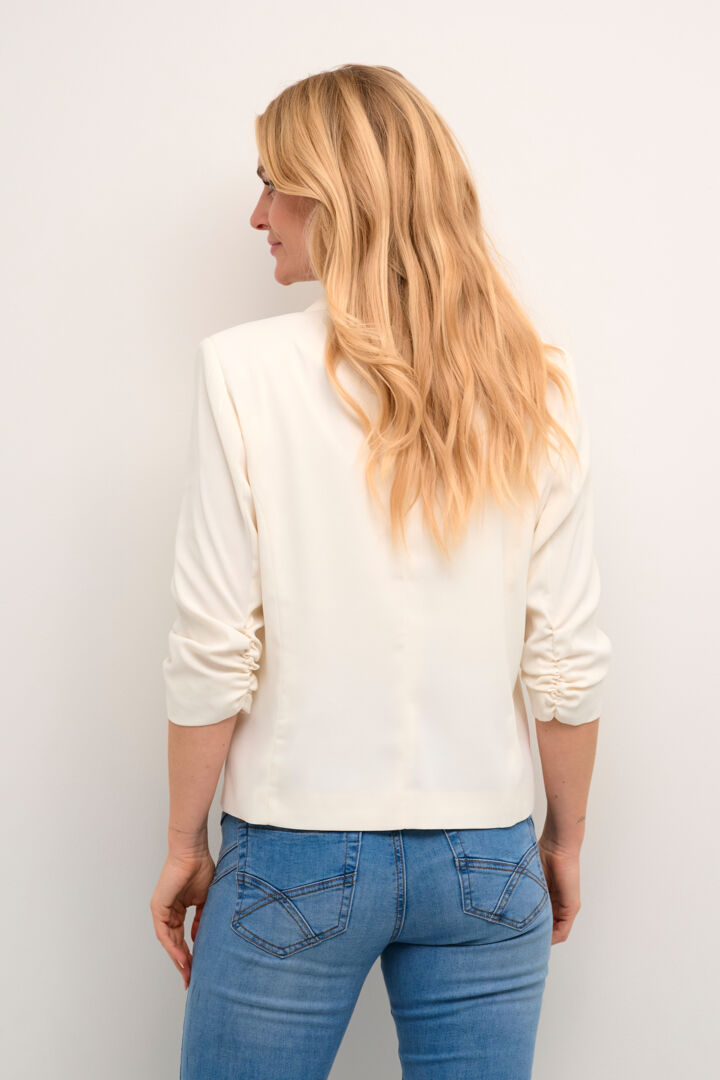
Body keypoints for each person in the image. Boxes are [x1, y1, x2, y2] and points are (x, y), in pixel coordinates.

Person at [150, 63, 612, 1080]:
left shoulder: (242, 371)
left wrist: (185, 844)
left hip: (295, 848)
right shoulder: (536, 379)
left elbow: (213, 645)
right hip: (487, 854)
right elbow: (567, 655)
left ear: (337, 195)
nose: (258, 214)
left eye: (274, 183)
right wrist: (564, 840)